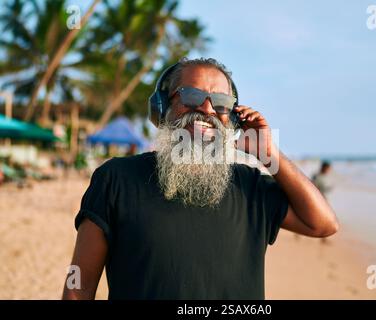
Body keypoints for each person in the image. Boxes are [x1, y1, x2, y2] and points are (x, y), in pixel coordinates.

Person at [62, 58, 339, 300]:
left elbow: (323, 224)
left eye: (221, 103)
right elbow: (79, 288)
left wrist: (269, 155)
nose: (207, 110)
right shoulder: (116, 179)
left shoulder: (250, 187)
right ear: (161, 107)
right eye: (192, 96)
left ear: (231, 118)